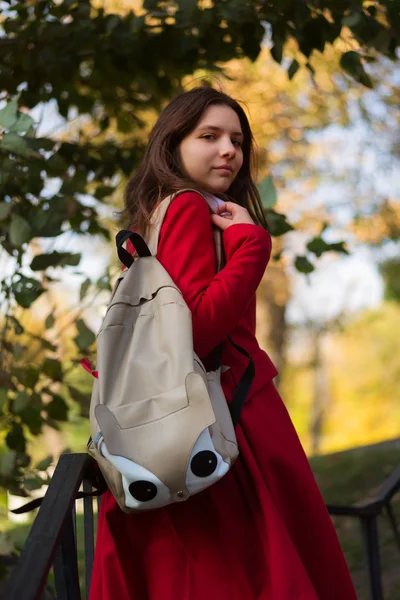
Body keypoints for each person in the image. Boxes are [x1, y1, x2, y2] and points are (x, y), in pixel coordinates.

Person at [89, 87, 357, 600]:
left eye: (237, 140)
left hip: (181, 424)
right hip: (223, 421)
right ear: (173, 146)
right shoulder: (189, 207)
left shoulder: (156, 217)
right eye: (208, 137)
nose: (229, 151)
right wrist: (253, 247)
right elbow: (197, 332)